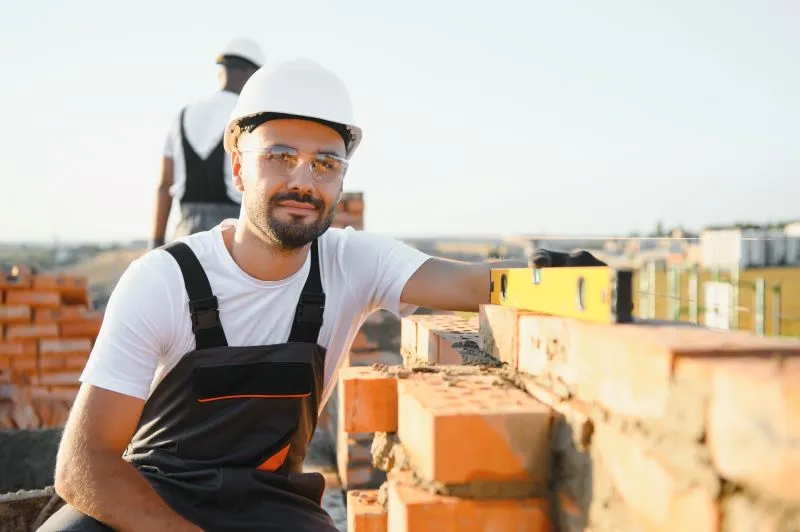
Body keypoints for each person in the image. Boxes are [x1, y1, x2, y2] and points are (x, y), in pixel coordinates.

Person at [41, 59, 602, 531]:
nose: (303, 181)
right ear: (239, 167)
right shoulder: (162, 280)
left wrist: (558, 278)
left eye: (325, 164)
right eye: (280, 157)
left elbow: (468, 284)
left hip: (272, 508)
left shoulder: (349, 262)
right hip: (151, 501)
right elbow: (83, 464)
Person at [150, 37, 265, 248]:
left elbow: (164, 187)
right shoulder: (251, 117)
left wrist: (156, 243)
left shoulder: (182, 115)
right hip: (234, 238)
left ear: (222, 70)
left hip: (184, 237)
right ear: (254, 75)